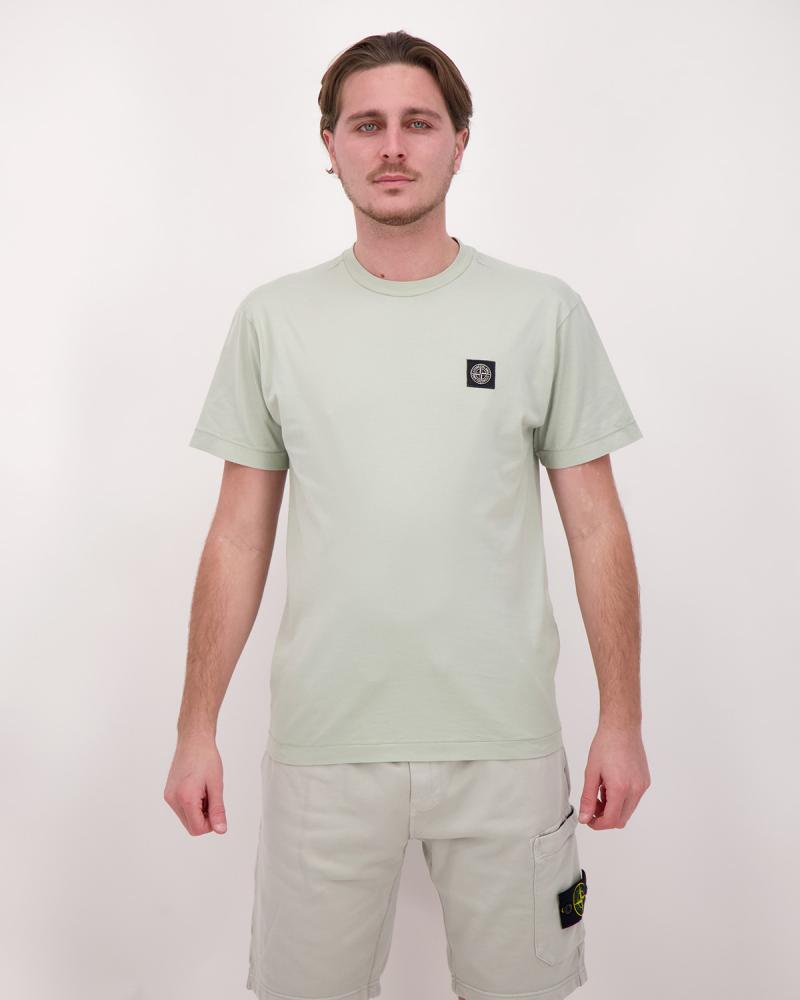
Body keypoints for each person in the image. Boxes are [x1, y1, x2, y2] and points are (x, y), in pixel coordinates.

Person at [164, 29, 651, 1000]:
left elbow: (596, 526)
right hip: (324, 749)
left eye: (418, 123)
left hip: (506, 747)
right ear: (330, 143)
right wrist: (194, 727)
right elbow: (237, 534)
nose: (391, 147)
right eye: (367, 124)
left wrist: (621, 720)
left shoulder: (541, 313)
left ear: (460, 142)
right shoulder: (274, 320)